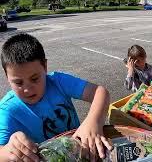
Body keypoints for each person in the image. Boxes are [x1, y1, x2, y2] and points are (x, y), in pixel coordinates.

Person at [0, 33, 112, 161]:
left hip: (82, 153)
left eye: (35, 79)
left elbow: (100, 92)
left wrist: (93, 122)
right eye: (18, 83)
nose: (27, 89)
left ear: (45, 67)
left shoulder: (58, 82)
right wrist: (9, 150)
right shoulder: (7, 110)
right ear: (7, 76)